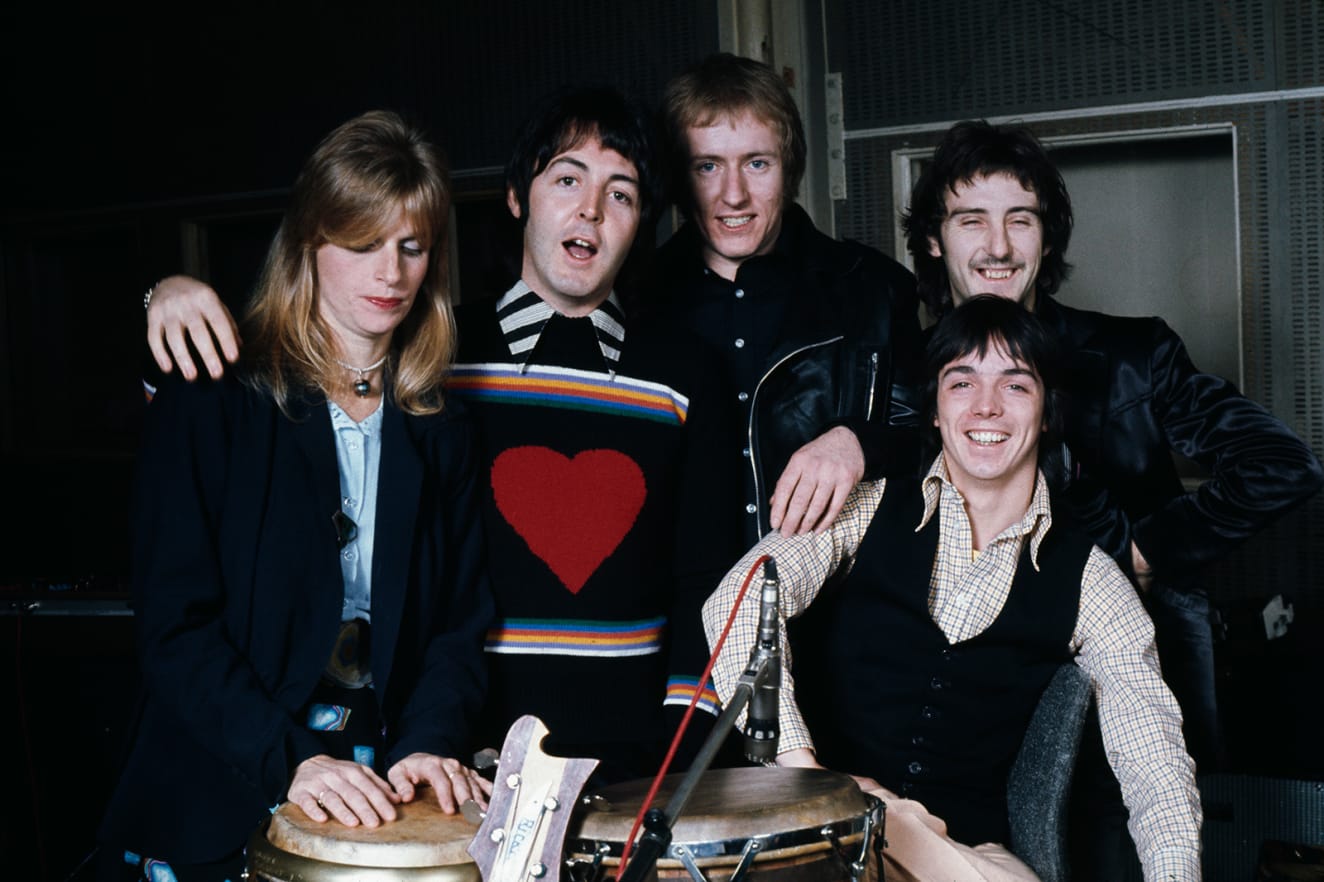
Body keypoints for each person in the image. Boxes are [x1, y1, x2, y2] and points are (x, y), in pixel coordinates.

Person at [138, 87, 739, 785]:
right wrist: (165, 293)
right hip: (435, 761)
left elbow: (705, 583)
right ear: (516, 196)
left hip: (598, 757)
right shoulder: (435, 358)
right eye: (567, 179)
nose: (590, 211)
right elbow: (262, 379)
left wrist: (678, 758)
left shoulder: (676, 373)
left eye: (622, 194)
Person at [901, 119, 1324, 872]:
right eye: (972, 220)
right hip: (977, 704)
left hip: (1129, 689)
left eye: (1019, 219)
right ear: (935, 240)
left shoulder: (1131, 356)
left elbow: (1280, 463)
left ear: (1046, 239)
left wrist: (1150, 548)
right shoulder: (912, 376)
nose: (997, 246)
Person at [100, 111, 493, 882]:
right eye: (362, 244)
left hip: (378, 787)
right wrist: (291, 763)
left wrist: (428, 742)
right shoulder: (213, 395)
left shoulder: (441, 426)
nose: (391, 274)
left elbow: (458, 625)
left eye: (411, 247)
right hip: (220, 780)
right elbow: (174, 631)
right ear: (309, 244)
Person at [702, 295, 1203, 881]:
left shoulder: (1093, 581)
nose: (986, 407)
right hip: (819, 846)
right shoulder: (862, 511)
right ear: (935, 411)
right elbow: (735, 605)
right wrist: (806, 776)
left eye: (1015, 386)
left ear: (1047, 413)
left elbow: (1155, 763)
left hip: (966, 856)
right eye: (961, 383)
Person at [652, 52, 924, 545]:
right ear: (679, 179)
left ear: (788, 167)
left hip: (837, 604)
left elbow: (936, 446)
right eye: (708, 166)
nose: (733, 195)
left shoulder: (874, 288)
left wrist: (858, 442)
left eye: (757, 163)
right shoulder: (636, 299)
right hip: (682, 610)